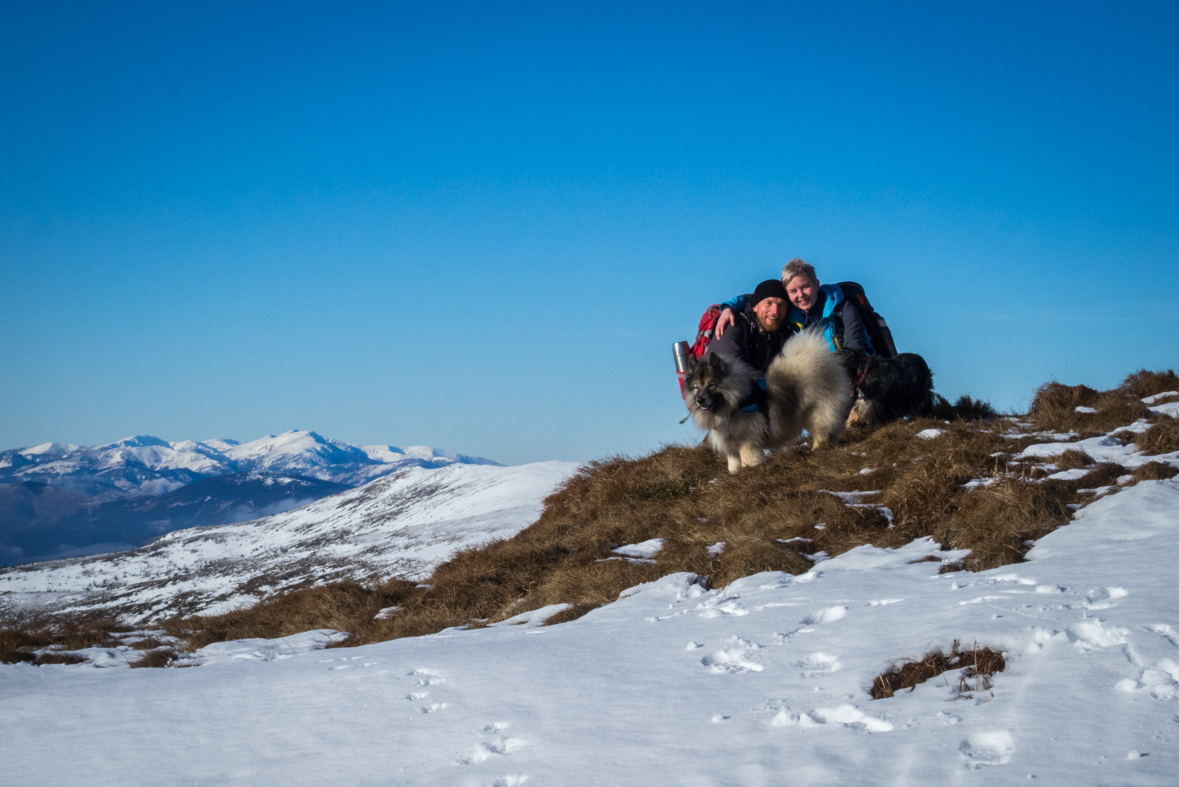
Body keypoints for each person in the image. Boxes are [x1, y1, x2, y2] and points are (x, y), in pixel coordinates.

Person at [715, 259, 874, 355]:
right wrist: (729, 307)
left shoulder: (841, 307)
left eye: (805, 287)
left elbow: (855, 343)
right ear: (787, 294)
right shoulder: (790, 312)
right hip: (824, 381)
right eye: (793, 291)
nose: (800, 295)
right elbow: (758, 297)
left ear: (817, 284)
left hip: (858, 376)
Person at [707, 279, 797, 409]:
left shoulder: (785, 334)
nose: (775, 311)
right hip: (725, 402)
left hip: (761, 397)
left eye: (781, 305)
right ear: (755, 306)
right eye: (768, 303)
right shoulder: (733, 325)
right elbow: (729, 364)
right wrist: (774, 385)